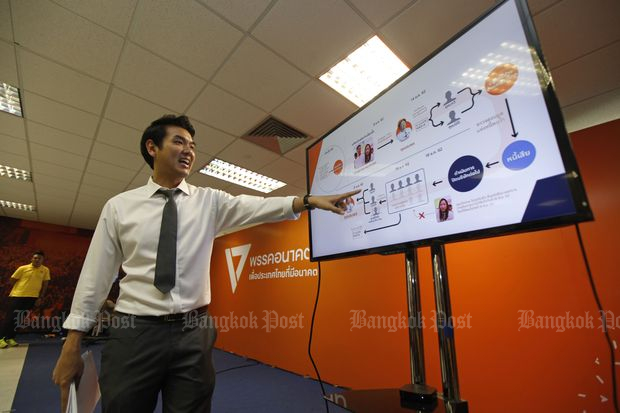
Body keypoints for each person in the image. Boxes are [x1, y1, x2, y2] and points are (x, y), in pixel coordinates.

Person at [52, 114, 358, 413]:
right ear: (151, 147)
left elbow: (259, 207)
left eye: (193, 145)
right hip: (135, 332)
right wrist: (72, 343)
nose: (189, 150)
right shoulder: (119, 207)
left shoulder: (209, 201)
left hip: (193, 331)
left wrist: (306, 201)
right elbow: (96, 275)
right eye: (179, 142)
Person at [0, 250, 50, 349]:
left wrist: (40, 297)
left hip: (32, 298)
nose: (37, 260)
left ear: (42, 260)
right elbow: (12, 280)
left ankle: (10, 338)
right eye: (35, 258)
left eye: (39, 258)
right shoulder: (22, 268)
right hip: (17, 296)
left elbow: (45, 284)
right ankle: (1, 339)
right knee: (10, 318)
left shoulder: (45, 270)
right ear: (31, 258)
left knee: (19, 319)